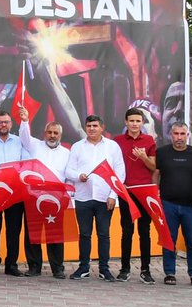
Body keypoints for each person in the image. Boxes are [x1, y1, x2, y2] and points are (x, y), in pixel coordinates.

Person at [64, 115, 126, 282]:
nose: (92, 129)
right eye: (89, 126)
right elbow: (69, 171)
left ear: (102, 127)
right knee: (84, 234)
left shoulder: (112, 147)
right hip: (83, 197)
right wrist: (78, 176)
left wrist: (113, 195)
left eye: (95, 126)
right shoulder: (77, 147)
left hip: (105, 198)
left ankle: (104, 269)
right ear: (85, 127)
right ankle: (83, 267)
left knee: (104, 235)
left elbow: (120, 173)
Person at [18, 107, 71, 278]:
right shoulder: (35, 145)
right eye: (49, 132)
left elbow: (69, 175)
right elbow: (24, 137)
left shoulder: (67, 153)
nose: (52, 135)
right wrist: (25, 120)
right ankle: (34, 267)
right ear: (44, 133)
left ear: (60, 135)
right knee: (32, 233)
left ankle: (57, 268)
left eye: (55, 133)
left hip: (56, 198)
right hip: (34, 196)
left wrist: (69, 195)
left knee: (55, 234)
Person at [153, 122, 192, 286]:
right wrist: (155, 194)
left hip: (191, 205)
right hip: (168, 204)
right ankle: (169, 273)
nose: (179, 137)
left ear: (188, 135)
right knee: (169, 240)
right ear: (170, 135)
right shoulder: (162, 152)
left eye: (182, 134)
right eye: (176, 134)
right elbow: (156, 174)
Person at [113, 107, 158, 283]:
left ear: (142, 123)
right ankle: (125, 269)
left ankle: (145, 270)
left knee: (144, 231)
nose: (134, 124)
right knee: (127, 231)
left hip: (144, 191)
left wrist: (143, 157)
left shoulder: (149, 140)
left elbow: (153, 167)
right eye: (131, 121)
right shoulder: (117, 141)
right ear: (126, 122)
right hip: (126, 191)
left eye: (138, 121)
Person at [0, 109, 30, 276]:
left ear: (11, 124)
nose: (3, 125)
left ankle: (11, 264)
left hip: (15, 190)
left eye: (6, 122)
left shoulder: (19, 141)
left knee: (14, 229)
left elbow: (26, 163)